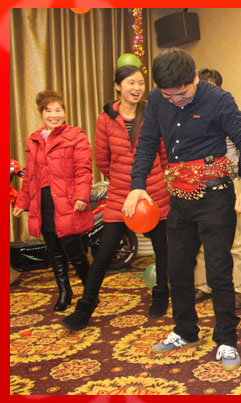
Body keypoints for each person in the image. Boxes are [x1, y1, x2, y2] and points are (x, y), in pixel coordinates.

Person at [123, 48, 241, 371]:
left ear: (194, 77)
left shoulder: (219, 99)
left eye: (182, 94)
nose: (176, 100)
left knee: (219, 270)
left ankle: (226, 339)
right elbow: (146, 143)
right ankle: (185, 331)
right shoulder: (157, 101)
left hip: (215, 196)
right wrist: (137, 184)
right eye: (169, 95)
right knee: (178, 270)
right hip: (179, 198)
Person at [60, 65, 171, 331]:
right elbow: (103, 159)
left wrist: (150, 180)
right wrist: (125, 181)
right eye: (131, 82)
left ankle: (161, 294)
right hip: (121, 194)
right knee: (104, 252)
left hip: (154, 192)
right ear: (118, 86)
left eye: (141, 83)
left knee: (163, 249)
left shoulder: (153, 112)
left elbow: (164, 154)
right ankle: (85, 307)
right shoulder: (105, 119)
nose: (137, 88)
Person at [13, 90, 93, 312]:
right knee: (54, 251)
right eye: (48, 110)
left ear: (65, 112)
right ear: (41, 113)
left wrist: (81, 196)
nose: (54, 115)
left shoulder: (76, 136)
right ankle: (64, 292)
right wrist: (21, 202)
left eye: (58, 110)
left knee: (74, 251)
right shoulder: (35, 140)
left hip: (68, 202)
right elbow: (30, 176)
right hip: (44, 204)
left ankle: (90, 291)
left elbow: (84, 170)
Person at [193, 68, 241, 310]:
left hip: (227, 182)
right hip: (200, 183)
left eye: (211, 87)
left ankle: (238, 288)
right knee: (202, 236)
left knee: (233, 238)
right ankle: (203, 284)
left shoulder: (230, 113)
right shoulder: (192, 117)